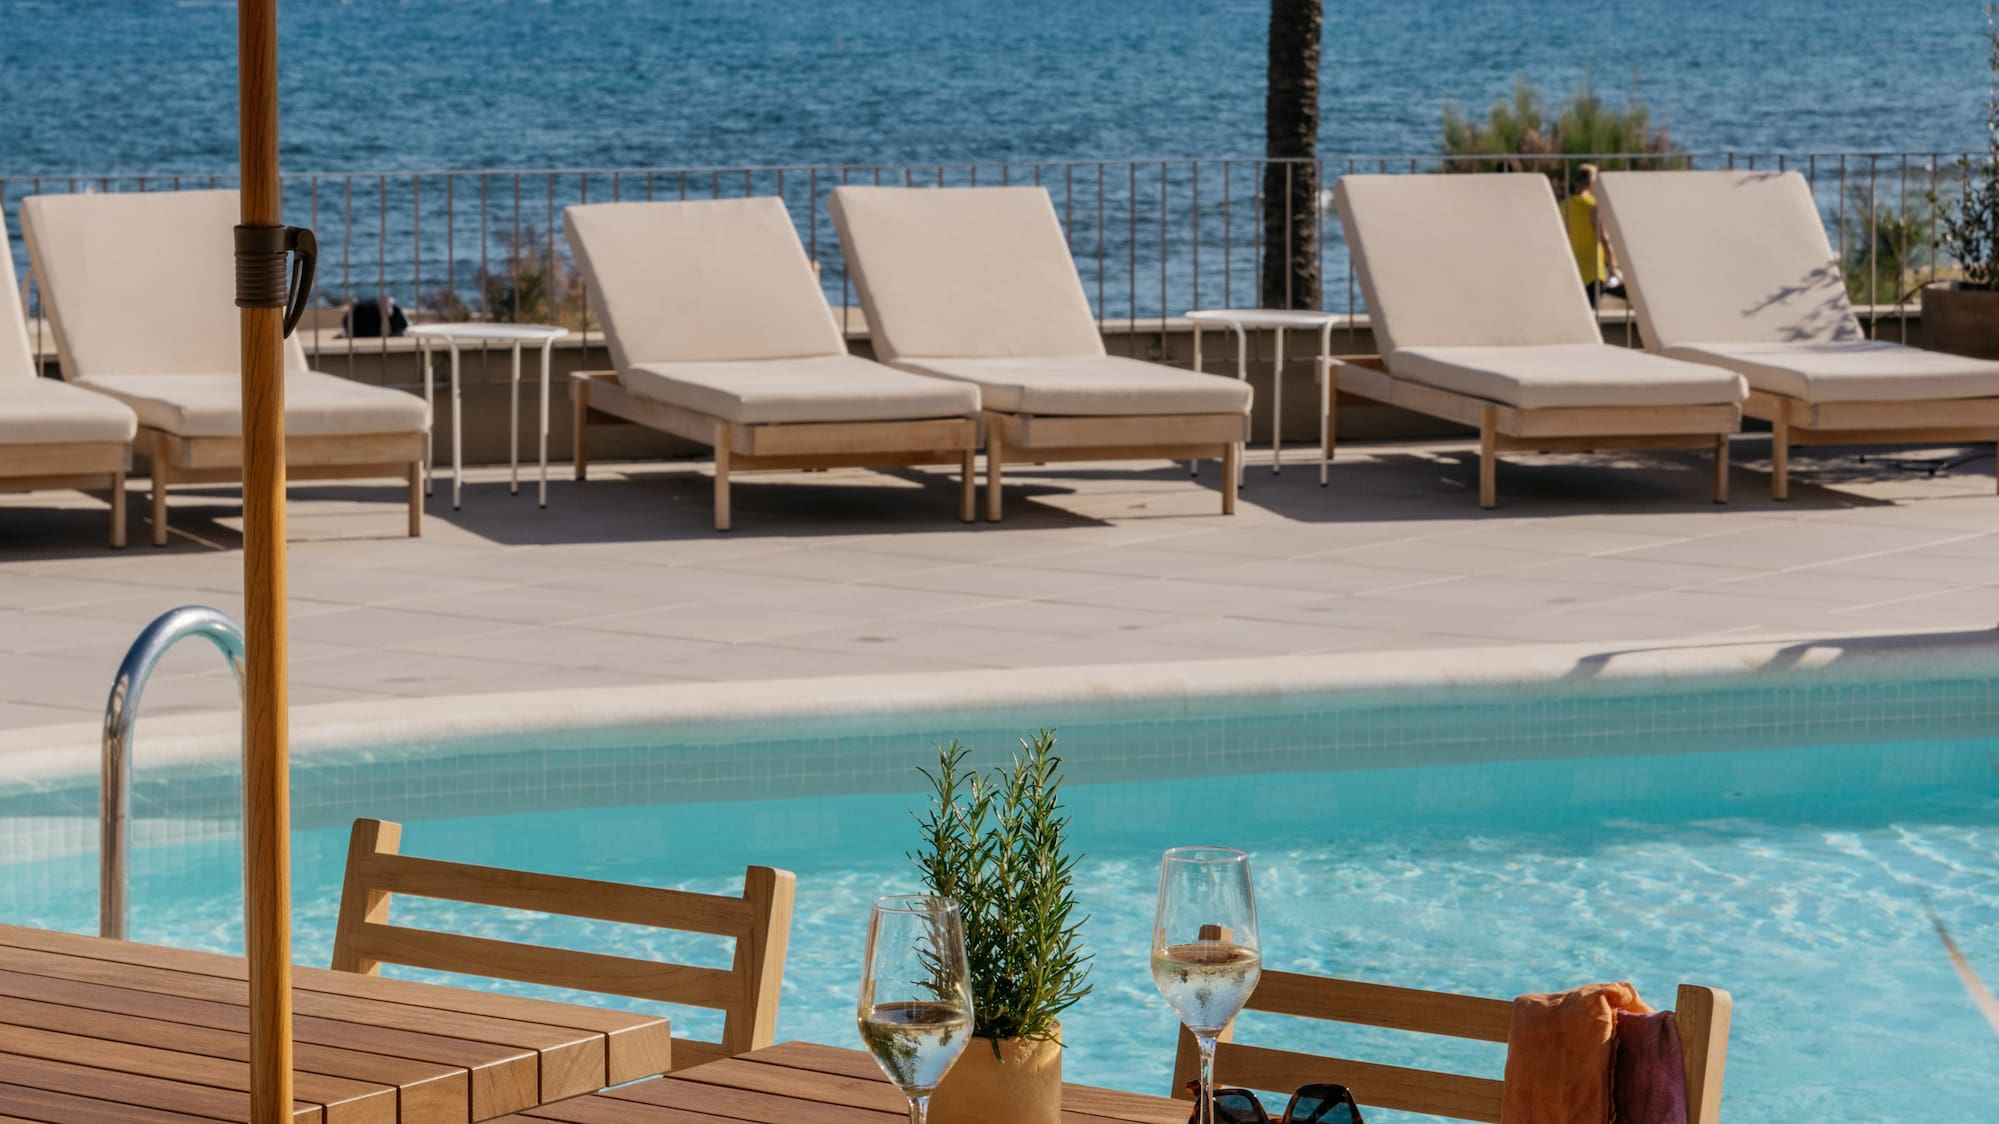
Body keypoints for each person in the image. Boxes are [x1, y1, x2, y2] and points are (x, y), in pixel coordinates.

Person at [1562, 164, 1626, 308]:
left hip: (1570, 271)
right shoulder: (1594, 206)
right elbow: (1604, 239)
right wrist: (1614, 268)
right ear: (1592, 183)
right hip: (1592, 273)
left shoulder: (1562, 207)